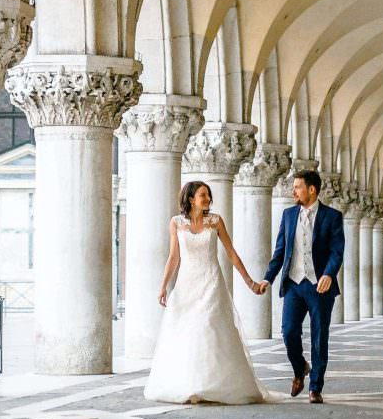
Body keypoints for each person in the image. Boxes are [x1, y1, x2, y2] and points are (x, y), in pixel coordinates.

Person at [144, 181, 269, 404]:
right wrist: (163, 286)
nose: (208, 199)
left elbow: (232, 254)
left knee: (209, 328)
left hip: (211, 282)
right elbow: (174, 257)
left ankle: (212, 384)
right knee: (188, 332)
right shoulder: (176, 223)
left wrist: (250, 283)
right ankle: (190, 384)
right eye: (203, 195)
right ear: (191, 198)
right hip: (186, 285)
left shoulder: (215, 221)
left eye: (209, 195)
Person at [257, 169, 345, 403]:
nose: (293, 191)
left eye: (297, 187)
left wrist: (328, 274)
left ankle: (315, 387)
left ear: (312, 189)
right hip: (294, 285)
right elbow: (280, 252)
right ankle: (299, 368)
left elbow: (337, 252)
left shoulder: (332, 217)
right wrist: (268, 278)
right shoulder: (287, 215)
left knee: (319, 336)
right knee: (288, 332)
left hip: (320, 286)